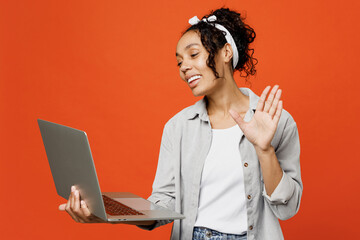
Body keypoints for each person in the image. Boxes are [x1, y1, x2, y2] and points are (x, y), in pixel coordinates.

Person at [59, 8, 303, 240]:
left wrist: (264, 150)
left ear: (226, 53)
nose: (184, 68)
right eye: (179, 62)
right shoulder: (178, 127)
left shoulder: (276, 121)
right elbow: (165, 203)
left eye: (193, 54)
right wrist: (108, 213)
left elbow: (288, 209)